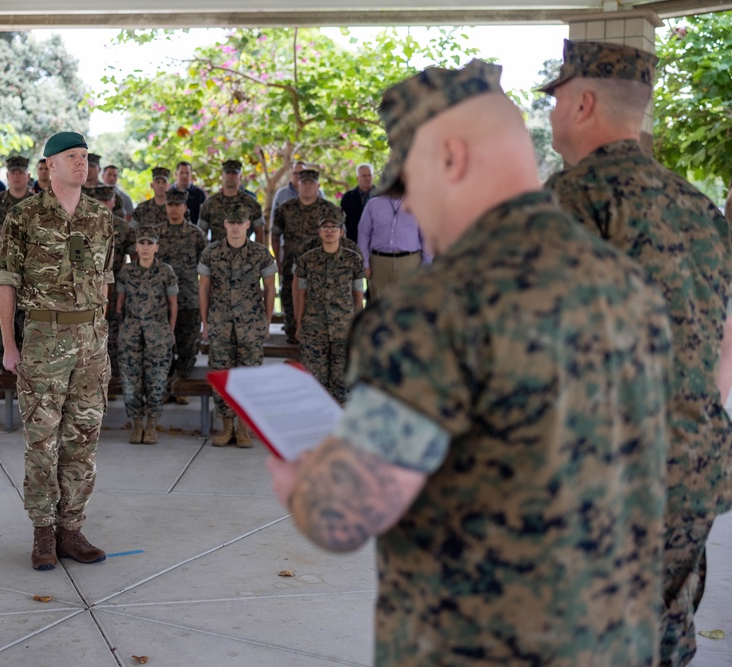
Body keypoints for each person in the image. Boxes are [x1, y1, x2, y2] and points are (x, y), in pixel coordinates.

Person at [267, 60, 673, 666]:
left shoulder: (433, 311)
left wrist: (299, 468)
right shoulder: (626, 283)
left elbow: (344, 513)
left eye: (409, 182)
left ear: (451, 157)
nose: (410, 205)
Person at [541, 39, 732, 667]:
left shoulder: (571, 199)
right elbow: (726, 335)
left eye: (558, 99)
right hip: (694, 464)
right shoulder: (700, 209)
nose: (551, 113)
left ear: (584, 103)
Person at [0, 131, 115, 570]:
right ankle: (43, 532)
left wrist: (103, 341)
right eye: (72, 157)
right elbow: (6, 282)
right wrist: (10, 344)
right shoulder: (23, 217)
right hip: (44, 340)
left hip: (91, 341)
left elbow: (104, 283)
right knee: (42, 441)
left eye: (85, 157)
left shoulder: (101, 217)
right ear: (49, 165)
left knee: (82, 440)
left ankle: (71, 528)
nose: (82, 163)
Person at [199, 204, 277, 447]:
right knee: (222, 376)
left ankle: (244, 429)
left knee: (250, 378)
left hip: (250, 325)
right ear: (225, 224)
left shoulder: (261, 254)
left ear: (247, 225)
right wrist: (205, 323)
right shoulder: (211, 253)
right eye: (230, 223)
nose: (234, 227)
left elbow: (271, 289)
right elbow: (204, 288)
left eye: (239, 223)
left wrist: (266, 323)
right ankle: (226, 427)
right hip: (221, 324)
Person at [294, 208, 364, 403]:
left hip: (344, 330)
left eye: (335, 227)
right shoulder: (307, 260)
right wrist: (299, 324)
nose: (330, 231)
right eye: (325, 227)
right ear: (319, 231)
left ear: (342, 231)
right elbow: (302, 294)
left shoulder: (353, 260)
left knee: (343, 386)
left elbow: (358, 297)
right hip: (314, 329)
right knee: (314, 385)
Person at [117, 229, 178, 444]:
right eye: (141, 243)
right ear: (136, 246)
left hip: (158, 335)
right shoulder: (126, 271)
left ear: (156, 247)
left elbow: (173, 304)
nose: (144, 247)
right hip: (131, 334)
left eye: (149, 243)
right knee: (131, 383)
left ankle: (151, 425)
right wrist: (124, 327)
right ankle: (136, 425)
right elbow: (120, 303)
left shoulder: (166, 272)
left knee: (156, 382)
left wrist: (170, 331)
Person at [0, 155, 33, 387]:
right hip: (2, 276)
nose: (17, 176)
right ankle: (7, 383)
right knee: (5, 334)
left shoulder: (39, 203)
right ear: (8, 176)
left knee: (30, 335)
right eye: (13, 173)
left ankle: (27, 387)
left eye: (21, 172)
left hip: (32, 279)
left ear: (28, 176)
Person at [271, 169, 342, 344]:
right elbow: (274, 236)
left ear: (318, 186)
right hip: (291, 265)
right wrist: (278, 262)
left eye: (312, 183)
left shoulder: (329, 210)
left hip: (321, 267)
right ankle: (294, 340)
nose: (308, 186)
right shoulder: (285, 209)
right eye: (305, 183)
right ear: (298, 185)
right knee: (289, 306)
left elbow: (341, 236)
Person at [157, 189, 208, 397]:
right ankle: (165, 387)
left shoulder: (196, 234)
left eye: (178, 205)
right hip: (160, 300)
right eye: (170, 204)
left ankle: (182, 388)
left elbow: (206, 268)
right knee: (163, 346)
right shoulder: (156, 233)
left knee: (188, 346)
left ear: (185, 207)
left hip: (189, 298)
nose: (174, 209)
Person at [88, 185, 130, 383]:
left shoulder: (123, 227)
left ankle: (112, 381)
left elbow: (137, 259)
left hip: (116, 291)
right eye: (101, 201)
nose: (104, 204)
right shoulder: (82, 225)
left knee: (113, 335)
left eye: (108, 200)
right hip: (89, 290)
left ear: (114, 202)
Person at [357, 193, 429, 302]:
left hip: (409, 263)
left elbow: (427, 237)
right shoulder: (373, 204)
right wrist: (365, 264)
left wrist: (426, 266)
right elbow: (363, 234)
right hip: (379, 263)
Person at [198, 160, 265, 245]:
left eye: (234, 173)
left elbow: (259, 232)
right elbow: (202, 234)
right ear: (222, 176)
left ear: (240, 177)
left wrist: (257, 256)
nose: (230, 176)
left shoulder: (251, 203)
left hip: (244, 255)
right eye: (227, 172)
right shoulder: (210, 203)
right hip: (217, 256)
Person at [268, 160, 325, 232]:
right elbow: (274, 224)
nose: (298, 176)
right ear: (290, 175)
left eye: (301, 173)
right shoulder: (281, 194)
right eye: (295, 173)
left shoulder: (319, 193)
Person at [129, 167, 172, 246]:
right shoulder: (141, 208)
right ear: (152, 185)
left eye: (164, 182)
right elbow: (131, 233)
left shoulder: (175, 209)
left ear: (169, 185)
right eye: (157, 182)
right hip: (146, 253)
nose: (161, 185)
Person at [340, 163, 375, 243]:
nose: (367, 178)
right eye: (364, 176)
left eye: (370, 175)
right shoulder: (348, 197)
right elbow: (342, 221)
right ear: (357, 178)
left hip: (376, 242)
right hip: (354, 241)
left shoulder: (382, 196)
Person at [171, 161, 208, 225]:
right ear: (176, 174)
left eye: (187, 173)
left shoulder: (199, 194)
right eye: (181, 173)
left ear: (191, 175)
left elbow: (204, 218)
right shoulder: (169, 193)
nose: (184, 176)